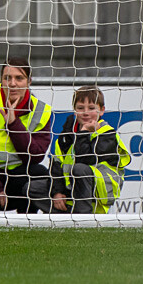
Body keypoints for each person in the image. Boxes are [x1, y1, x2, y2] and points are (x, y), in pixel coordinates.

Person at [28, 86, 130, 214]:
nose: (85, 113)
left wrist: (84, 133)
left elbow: (85, 160)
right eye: (80, 108)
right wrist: (57, 193)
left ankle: (84, 215)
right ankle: (63, 212)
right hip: (71, 188)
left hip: (98, 194)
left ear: (102, 110)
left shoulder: (107, 134)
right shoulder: (67, 133)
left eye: (91, 108)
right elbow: (56, 164)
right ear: (74, 110)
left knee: (79, 169)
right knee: (31, 188)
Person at [0, 57, 53, 213]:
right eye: (7, 78)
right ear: (1, 80)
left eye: (19, 78)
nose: (13, 83)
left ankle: (29, 223)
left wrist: (13, 124)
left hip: (16, 177)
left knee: (39, 173)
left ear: (29, 81)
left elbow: (35, 157)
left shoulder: (41, 111)